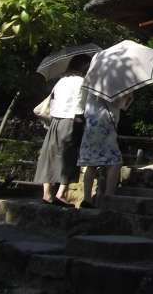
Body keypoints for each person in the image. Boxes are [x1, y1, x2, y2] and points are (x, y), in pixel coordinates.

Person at [33, 54, 91, 207]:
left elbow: (52, 99)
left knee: (50, 154)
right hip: (72, 119)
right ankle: (61, 193)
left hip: (55, 121)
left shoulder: (61, 81)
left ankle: (46, 193)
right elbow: (84, 103)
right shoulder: (83, 81)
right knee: (69, 156)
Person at [77, 92, 133, 208]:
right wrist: (130, 95)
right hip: (106, 126)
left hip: (90, 126)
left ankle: (87, 199)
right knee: (115, 161)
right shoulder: (115, 85)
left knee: (91, 164)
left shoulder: (92, 82)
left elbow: (82, 105)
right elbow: (123, 105)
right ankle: (108, 197)